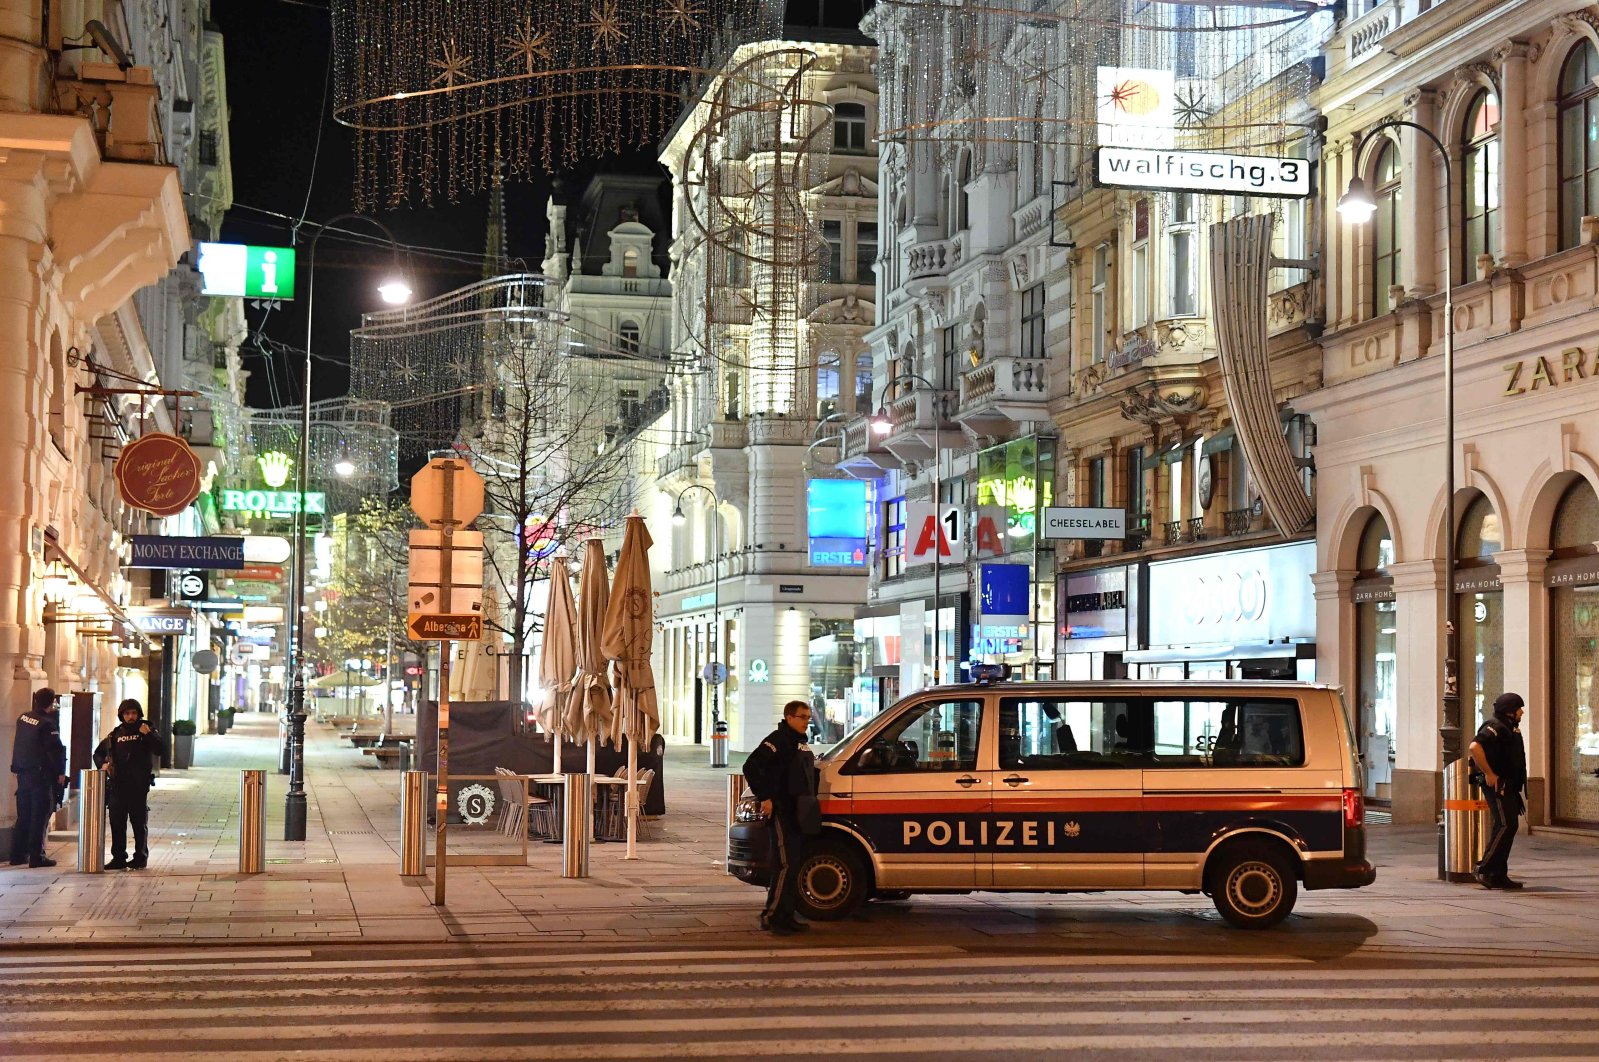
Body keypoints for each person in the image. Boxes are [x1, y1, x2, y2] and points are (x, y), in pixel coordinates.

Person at [741, 700, 817, 936]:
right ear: (790, 718)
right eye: (802, 717)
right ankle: (772, 916)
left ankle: (786, 915)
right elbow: (751, 766)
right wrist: (766, 797)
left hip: (797, 811)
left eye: (808, 717)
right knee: (785, 865)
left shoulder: (798, 742)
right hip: (783, 810)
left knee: (792, 865)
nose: (807, 721)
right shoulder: (778, 740)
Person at [93, 699, 163, 870]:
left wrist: (149, 734)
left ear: (139, 714)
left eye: (133, 713)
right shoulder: (115, 734)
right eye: (127, 713)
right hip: (118, 786)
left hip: (138, 785)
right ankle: (118, 857)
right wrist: (102, 764)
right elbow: (98, 753)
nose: (130, 716)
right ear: (122, 715)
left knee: (138, 823)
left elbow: (161, 749)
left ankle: (140, 857)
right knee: (117, 822)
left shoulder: (146, 730)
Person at [1470, 692, 1528, 890]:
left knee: (1508, 826)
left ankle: (1498, 874)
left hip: (1509, 785)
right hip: (1498, 784)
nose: (1522, 712)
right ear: (1509, 711)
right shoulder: (1494, 727)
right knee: (1505, 825)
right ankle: (1484, 868)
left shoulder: (1510, 728)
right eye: (1519, 708)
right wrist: (1489, 773)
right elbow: (1475, 746)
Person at [9, 688, 66, 868]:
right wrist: (60, 773)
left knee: (23, 816)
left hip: (22, 774)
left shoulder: (23, 718)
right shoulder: (47, 724)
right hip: (40, 776)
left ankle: (17, 855)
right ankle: (36, 856)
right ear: (51, 702)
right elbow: (55, 751)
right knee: (39, 816)